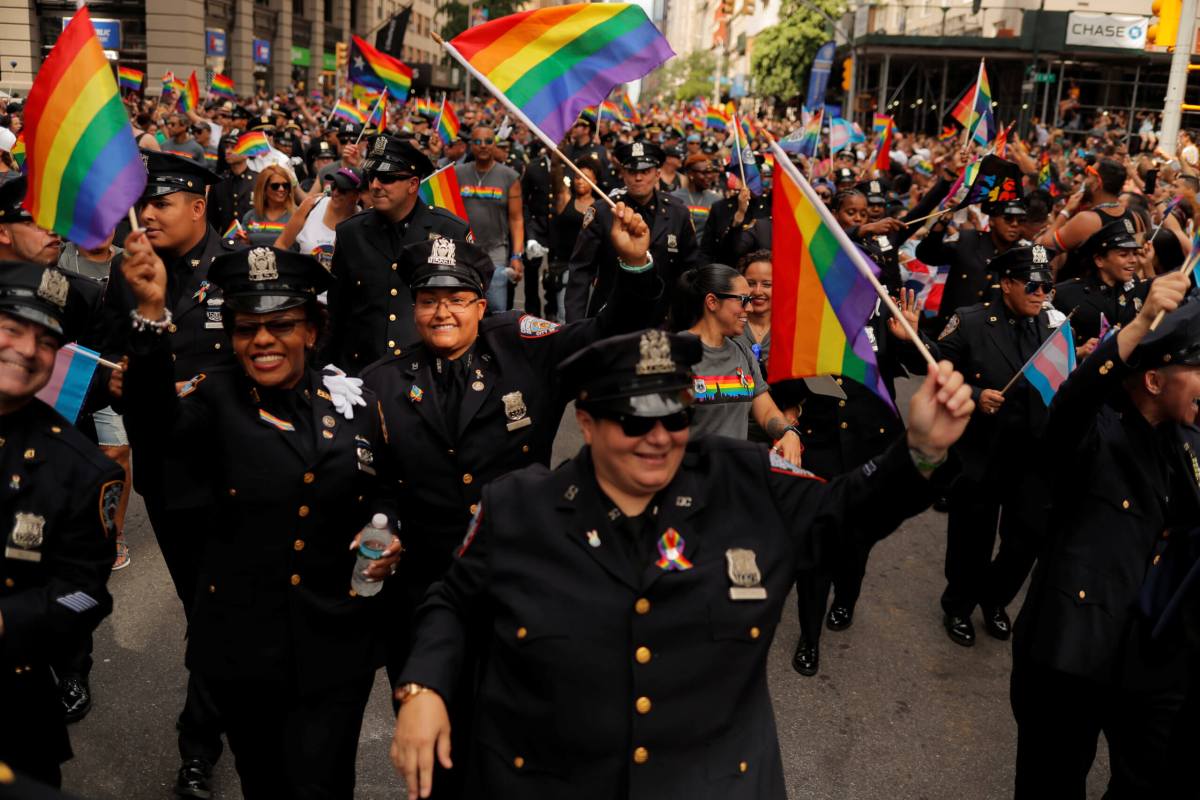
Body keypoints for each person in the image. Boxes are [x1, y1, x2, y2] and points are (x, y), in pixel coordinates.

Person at [388, 325, 974, 799]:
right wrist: (424, 689)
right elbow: (452, 601)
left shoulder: (747, 483)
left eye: (674, 417)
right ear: (586, 422)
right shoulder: (518, 507)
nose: (659, 437)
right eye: (635, 420)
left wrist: (920, 451)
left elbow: (846, 513)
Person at [118, 242, 402, 799]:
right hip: (244, 646)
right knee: (267, 783)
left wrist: (388, 529)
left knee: (325, 784)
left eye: (281, 326)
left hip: (336, 642)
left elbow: (386, 488)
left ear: (312, 331)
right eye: (247, 329)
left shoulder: (350, 399)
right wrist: (151, 316)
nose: (263, 341)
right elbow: (154, 423)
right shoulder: (213, 398)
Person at [1009, 270, 1197, 798]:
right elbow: (1074, 400)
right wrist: (1137, 325)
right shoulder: (1095, 436)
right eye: (1197, 369)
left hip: (1141, 668)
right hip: (1066, 660)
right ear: (1155, 379)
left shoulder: (1183, 445)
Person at [100, 150, 233, 799]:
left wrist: (198, 390)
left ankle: (199, 746)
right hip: (172, 481)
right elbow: (108, 353)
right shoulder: (131, 273)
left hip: (239, 474)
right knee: (207, 610)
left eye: (162, 203)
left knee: (222, 611)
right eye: (144, 204)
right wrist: (124, 378)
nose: (148, 215)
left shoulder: (237, 273)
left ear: (199, 207)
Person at [891, 243, 1059, 647]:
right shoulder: (971, 322)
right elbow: (932, 366)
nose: (1041, 293)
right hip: (981, 452)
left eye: (1047, 285)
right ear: (1007, 284)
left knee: (1026, 539)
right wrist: (974, 389)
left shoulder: (1052, 327)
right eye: (1033, 284)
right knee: (972, 539)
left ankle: (995, 599)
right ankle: (959, 606)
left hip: (1031, 456)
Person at [0, 262, 122, 788]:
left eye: (47, 340)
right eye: (11, 328)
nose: (28, 350)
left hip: (11, 708)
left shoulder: (83, 469)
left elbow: (86, 595)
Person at [322, 136, 470, 375]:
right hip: (362, 374)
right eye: (372, 177)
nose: (376, 185)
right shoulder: (351, 232)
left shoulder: (449, 230)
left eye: (388, 178)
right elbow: (337, 312)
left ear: (413, 184)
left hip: (428, 374)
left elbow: (466, 312)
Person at [669, 263, 804, 466]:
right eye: (743, 300)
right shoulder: (675, 353)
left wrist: (789, 432)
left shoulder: (742, 353)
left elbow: (766, 411)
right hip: (689, 480)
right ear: (712, 302)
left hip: (734, 478)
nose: (749, 308)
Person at [566, 140, 700, 323]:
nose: (638, 178)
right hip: (610, 317)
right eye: (632, 172)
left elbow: (690, 272)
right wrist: (575, 325)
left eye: (645, 172)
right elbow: (581, 270)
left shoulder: (678, 212)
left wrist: (690, 322)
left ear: (657, 174)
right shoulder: (603, 211)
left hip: (661, 319)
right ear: (623, 174)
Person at [915, 198, 1025, 334]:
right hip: (953, 330)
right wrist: (943, 222)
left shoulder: (1023, 255)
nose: (1015, 224)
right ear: (991, 221)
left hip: (993, 335)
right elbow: (927, 255)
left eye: (1020, 221)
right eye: (1008, 218)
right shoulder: (968, 240)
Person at [454, 125, 524, 312]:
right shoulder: (457, 173)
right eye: (477, 142)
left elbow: (516, 219)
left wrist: (516, 256)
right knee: (464, 307)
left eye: (488, 141)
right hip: (463, 251)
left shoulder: (510, 177)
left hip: (496, 253)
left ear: (495, 144)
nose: (483, 146)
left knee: (496, 310)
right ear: (470, 145)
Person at [1052, 219, 1149, 345]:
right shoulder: (1067, 294)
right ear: (1099, 260)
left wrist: (1147, 265)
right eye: (1124, 255)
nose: (1133, 260)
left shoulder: (1136, 286)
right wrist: (1079, 352)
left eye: (1134, 253)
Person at [547, 157, 601, 322]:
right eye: (577, 177)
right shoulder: (565, 199)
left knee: (588, 317)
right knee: (565, 316)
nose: (580, 181)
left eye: (586, 178)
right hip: (565, 266)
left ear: (595, 181)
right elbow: (557, 180)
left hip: (591, 269)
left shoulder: (601, 207)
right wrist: (556, 158)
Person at [206, 136, 257, 236]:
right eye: (227, 147)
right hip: (226, 242)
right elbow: (212, 220)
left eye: (234, 147)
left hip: (252, 242)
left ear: (246, 153)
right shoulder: (219, 182)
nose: (228, 151)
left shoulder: (258, 181)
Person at [241, 165, 295, 247]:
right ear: (263, 189)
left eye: (285, 185)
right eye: (275, 186)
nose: (281, 189)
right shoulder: (250, 216)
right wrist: (243, 242)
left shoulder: (297, 215)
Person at [672, 154, 723, 238]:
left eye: (710, 172)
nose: (709, 176)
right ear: (690, 174)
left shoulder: (716, 200)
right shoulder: (674, 198)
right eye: (704, 173)